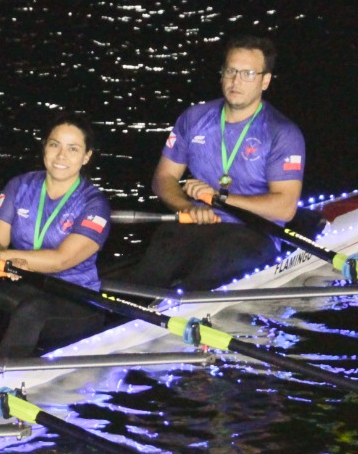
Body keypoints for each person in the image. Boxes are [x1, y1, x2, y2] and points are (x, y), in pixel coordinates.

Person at [123, 34, 306, 290]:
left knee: (210, 269)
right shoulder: (194, 118)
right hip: (199, 223)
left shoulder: (282, 132)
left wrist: (218, 199)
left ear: (265, 81)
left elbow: (285, 208)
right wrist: (186, 207)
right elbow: (164, 177)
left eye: (247, 74)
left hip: (255, 233)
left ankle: (185, 300)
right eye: (231, 71)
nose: (235, 81)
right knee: (154, 265)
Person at [0, 116, 111, 356]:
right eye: (55, 145)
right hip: (30, 286)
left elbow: (61, 260)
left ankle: (9, 375)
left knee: (32, 310)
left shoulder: (94, 204)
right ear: (45, 147)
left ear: (86, 156)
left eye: (73, 149)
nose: (61, 155)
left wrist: (6, 258)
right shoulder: (20, 186)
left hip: (77, 298)